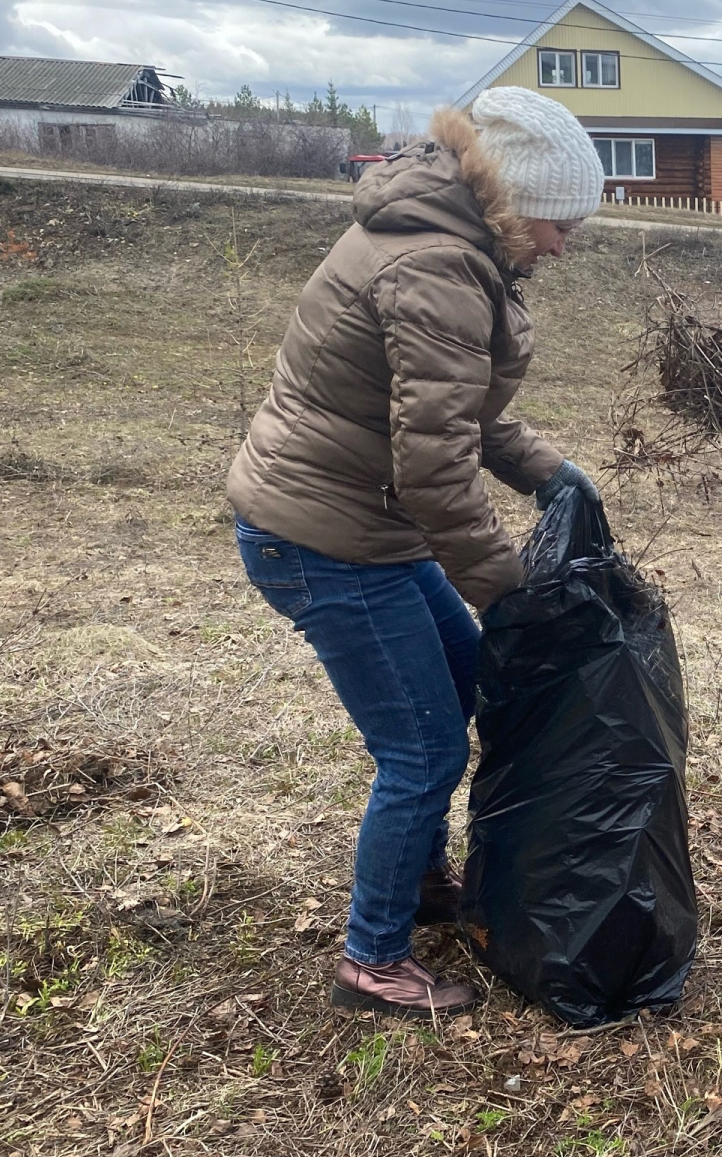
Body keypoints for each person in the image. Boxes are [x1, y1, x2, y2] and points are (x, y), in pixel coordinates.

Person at [227, 87, 605, 1017]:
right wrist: (506, 587)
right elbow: (435, 468)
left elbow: (459, 414)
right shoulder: (436, 264)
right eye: (559, 223)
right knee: (425, 747)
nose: (564, 245)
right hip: (323, 539)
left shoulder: (453, 244)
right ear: (514, 202)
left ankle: (423, 878)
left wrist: (552, 475)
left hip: (363, 523)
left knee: (473, 686)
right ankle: (373, 959)